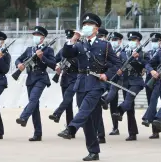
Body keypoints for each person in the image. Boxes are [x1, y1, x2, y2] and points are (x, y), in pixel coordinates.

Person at [58, 13, 121, 161]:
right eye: (84, 25)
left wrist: (107, 74)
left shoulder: (104, 45)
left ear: (96, 28)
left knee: (84, 109)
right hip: (81, 82)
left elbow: (117, 64)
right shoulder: (79, 44)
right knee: (87, 119)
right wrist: (72, 39)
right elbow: (66, 54)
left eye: (89, 25)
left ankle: (71, 128)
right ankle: (93, 151)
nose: (86, 27)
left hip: (96, 83)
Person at [15, 26, 56, 141]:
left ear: (43, 38)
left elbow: (53, 64)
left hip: (41, 78)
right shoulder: (29, 49)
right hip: (30, 78)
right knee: (35, 106)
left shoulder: (48, 50)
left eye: (38, 36)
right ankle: (37, 134)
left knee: (33, 99)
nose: (35, 37)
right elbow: (18, 59)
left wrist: (42, 57)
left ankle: (23, 117)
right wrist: (19, 65)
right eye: (34, 35)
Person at [112, 31, 149, 141]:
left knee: (128, 100)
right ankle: (132, 133)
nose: (132, 42)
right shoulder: (123, 53)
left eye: (134, 40)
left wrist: (138, 59)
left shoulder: (143, 54)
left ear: (138, 42)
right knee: (130, 108)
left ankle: (119, 111)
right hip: (125, 82)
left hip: (136, 82)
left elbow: (146, 65)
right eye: (130, 40)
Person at [48, 29, 81, 138]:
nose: (68, 40)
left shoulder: (79, 48)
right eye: (67, 38)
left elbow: (81, 63)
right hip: (65, 78)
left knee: (67, 99)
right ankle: (70, 129)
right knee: (68, 105)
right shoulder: (63, 50)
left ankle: (57, 113)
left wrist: (71, 62)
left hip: (75, 77)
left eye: (71, 37)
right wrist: (57, 65)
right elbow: (54, 59)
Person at [101, 32, 125, 136]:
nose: (114, 41)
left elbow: (123, 64)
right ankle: (115, 128)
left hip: (118, 79)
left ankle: (105, 100)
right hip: (109, 77)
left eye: (116, 40)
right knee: (113, 104)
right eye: (113, 40)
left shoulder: (123, 51)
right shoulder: (109, 51)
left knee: (113, 103)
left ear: (120, 41)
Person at [142, 32, 161, 139]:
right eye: (153, 41)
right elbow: (146, 65)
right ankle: (155, 131)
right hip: (150, 80)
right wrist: (151, 71)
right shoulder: (148, 53)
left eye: (156, 41)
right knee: (151, 103)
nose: (154, 43)